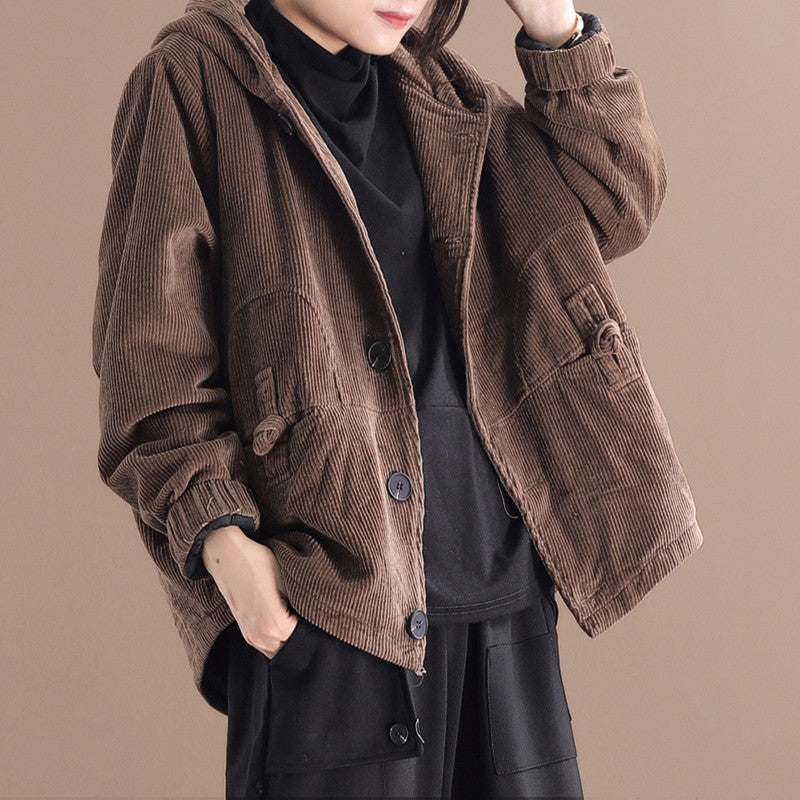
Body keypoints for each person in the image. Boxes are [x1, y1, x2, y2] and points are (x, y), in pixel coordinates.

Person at [92, 0, 703, 797]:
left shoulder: (448, 96)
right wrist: (223, 544)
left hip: (505, 608)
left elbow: (618, 203)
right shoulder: (192, 83)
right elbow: (152, 362)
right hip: (335, 610)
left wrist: (554, 22)